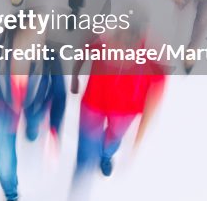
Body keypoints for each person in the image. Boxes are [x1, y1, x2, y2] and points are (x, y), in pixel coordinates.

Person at [0, 26, 67, 201]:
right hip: (2, 107)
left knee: (33, 125)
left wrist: (53, 129)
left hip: (36, 105)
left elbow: (60, 94)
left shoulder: (51, 55)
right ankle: (11, 196)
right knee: (4, 156)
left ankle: (32, 130)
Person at [69, 23, 165, 182]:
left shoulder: (152, 62)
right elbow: (84, 50)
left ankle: (105, 155)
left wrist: (137, 142)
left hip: (125, 111)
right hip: (94, 102)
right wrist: (75, 78)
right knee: (86, 149)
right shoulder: (101, 44)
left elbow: (154, 100)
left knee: (113, 139)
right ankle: (83, 169)